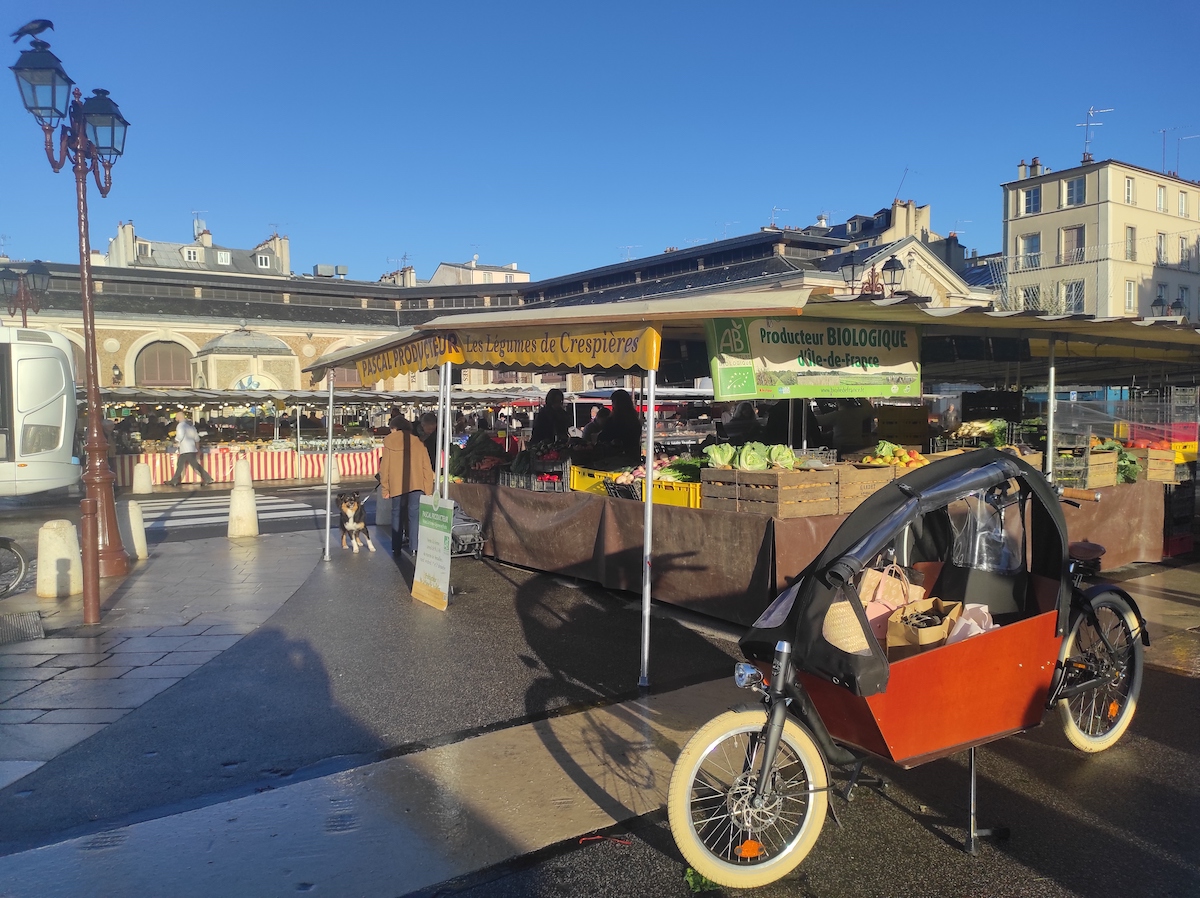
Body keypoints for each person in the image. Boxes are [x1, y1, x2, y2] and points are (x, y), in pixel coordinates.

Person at [379, 415, 434, 557]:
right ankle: (414, 547)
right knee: (414, 515)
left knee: (397, 514)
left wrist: (385, 488)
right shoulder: (419, 442)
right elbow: (426, 468)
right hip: (417, 485)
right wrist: (428, 489)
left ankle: (396, 547)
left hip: (397, 486)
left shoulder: (389, 444)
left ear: (395, 428)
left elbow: (384, 469)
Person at [167, 410, 214, 487]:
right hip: (192, 448)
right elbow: (197, 438)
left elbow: (180, 436)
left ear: (179, 417)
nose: (175, 419)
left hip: (185, 449)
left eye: (176, 417)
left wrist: (174, 441)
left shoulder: (181, 425)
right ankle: (174, 480)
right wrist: (197, 449)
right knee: (181, 464)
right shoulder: (191, 425)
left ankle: (208, 478)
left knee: (193, 465)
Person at [597, 389, 643, 455]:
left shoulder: (613, 421)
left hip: (615, 457)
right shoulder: (634, 420)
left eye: (613, 402)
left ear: (616, 403)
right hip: (633, 455)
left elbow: (603, 438)